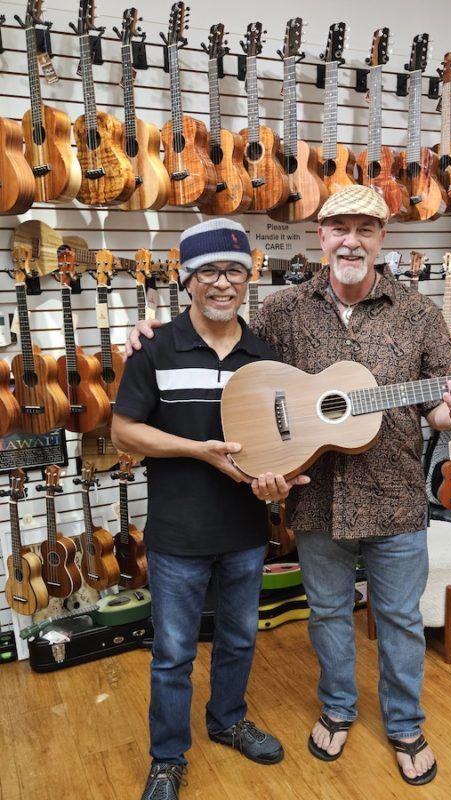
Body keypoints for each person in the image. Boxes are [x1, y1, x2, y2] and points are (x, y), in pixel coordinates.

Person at [127, 186, 451, 787]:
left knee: (398, 617)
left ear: (381, 239)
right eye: (338, 228)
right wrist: (150, 334)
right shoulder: (280, 310)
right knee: (326, 612)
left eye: (365, 229)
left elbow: (437, 411)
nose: (351, 240)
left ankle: (404, 724)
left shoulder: (420, 313)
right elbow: (237, 367)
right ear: (320, 236)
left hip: (395, 495)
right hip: (314, 497)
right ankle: (339, 710)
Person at [112, 218, 308, 800]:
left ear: (250, 278)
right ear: (187, 279)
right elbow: (124, 433)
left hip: (245, 530)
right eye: (210, 272)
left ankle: (227, 721)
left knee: (240, 638)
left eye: (236, 271)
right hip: (177, 533)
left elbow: (279, 445)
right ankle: (168, 758)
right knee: (172, 654)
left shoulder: (262, 355)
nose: (223, 284)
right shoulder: (157, 347)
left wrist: (279, 483)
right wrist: (197, 451)